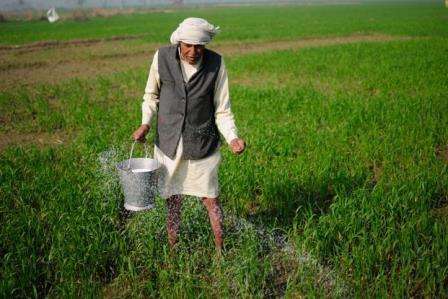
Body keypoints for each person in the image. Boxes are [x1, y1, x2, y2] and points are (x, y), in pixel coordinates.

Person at [132, 17, 245, 255]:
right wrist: (145, 124)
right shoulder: (161, 57)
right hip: (168, 143)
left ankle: (220, 250)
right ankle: (173, 249)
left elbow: (222, 109)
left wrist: (232, 137)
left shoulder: (216, 64)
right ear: (179, 42)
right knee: (172, 199)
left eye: (199, 46)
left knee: (211, 199)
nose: (194, 52)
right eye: (188, 46)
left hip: (202, 145)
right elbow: (150, 96)